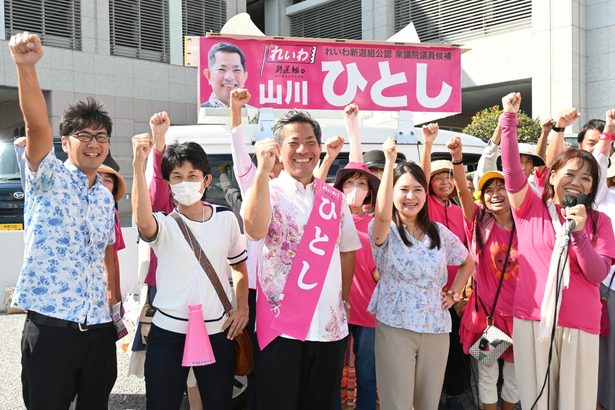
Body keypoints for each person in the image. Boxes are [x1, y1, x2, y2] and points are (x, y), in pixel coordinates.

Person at [9, 32, 119, 409]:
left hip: (98, 331)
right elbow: (35, 126)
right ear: (66, 141)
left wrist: (113, 303)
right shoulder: (49, 176)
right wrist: (26, 68)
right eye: (83, 135)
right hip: (52, 329)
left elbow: (104, 255)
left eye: (101, 136)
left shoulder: (106, 196)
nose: (93, 143)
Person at [499, 92, 615, 410]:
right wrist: (509, 117)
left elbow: (596, 273)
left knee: (575, 403)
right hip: (532, 321)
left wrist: (579, 234)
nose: (577, 182)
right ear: (552, 175)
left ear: (593, 187)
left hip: (581, 324)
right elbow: (510, 169)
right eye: (570, 174)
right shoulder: (530, 208)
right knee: (537, 401)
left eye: (586, 178)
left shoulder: (598, 222)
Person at [242, 109, 361, 409]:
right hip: (281, 328)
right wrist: (260, 170)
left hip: (328, 327)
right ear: (279, 150)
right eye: (293, 142)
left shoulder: (334, 200)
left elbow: (347, 250)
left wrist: (343, 297)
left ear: (320, 148)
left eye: (310, 141)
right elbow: (254, 230)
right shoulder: (266, 190)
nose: (302, 150)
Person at [132, 134, 249, 410]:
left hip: (218, 330)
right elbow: (142, 220)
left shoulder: (226, 219)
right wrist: (139, 164)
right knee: (161, 403)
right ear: (169, 183)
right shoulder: (163, 224)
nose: (185, 183)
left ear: (207, 179)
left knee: (218, 403)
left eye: (192, 175)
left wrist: (242, 308)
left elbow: (239, 265)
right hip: (168, 332)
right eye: (177, 177)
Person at [369, 137, 473, 410]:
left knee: (427, 403)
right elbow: (381, 216)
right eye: (403, 189)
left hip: (436, 327)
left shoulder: (437, 232)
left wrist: (455, 292)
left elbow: (467, 261)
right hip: (396, 324)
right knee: (397, 403)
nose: (411, 197)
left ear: (425, 195)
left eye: (417, 189)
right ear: (391, 192)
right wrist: (390, 159)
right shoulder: (384, 229)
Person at [448, 137, 519, 410]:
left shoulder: (526, 225)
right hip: (489, 318)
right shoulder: (478, 221)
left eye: (502, 187)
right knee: (488, 376)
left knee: (515, 378)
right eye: (489, 190)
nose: (496, 193)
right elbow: (464, 192)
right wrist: (457, 157)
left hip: (521, 316)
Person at [419, 123, 470, 409]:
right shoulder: (426, 205)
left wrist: (464, 290)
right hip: (436, 294)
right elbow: (422, 175)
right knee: (437, 348)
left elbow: (467, 254)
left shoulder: (458, 208)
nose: (445, 182)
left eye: (448, 177)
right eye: (438, 178)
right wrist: (428, 144)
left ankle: (460, 395)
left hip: (461, 293)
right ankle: (434, 398)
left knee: (462, 347)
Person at [333, 103, 380, 410]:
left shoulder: (379, 222)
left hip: (368, 313)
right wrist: (352, 127)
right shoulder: (332, 219)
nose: (355, 188)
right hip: (334, 311)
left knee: (367, 377)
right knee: (332, 376)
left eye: (361, 184)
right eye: (349, 183)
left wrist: (355, 128)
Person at [202, 42, 249, 108]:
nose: (229, 77)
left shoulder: (255, 114)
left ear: (245, 77)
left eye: (236, 70)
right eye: (221, 69)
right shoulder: (200, 113)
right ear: (209, 75)